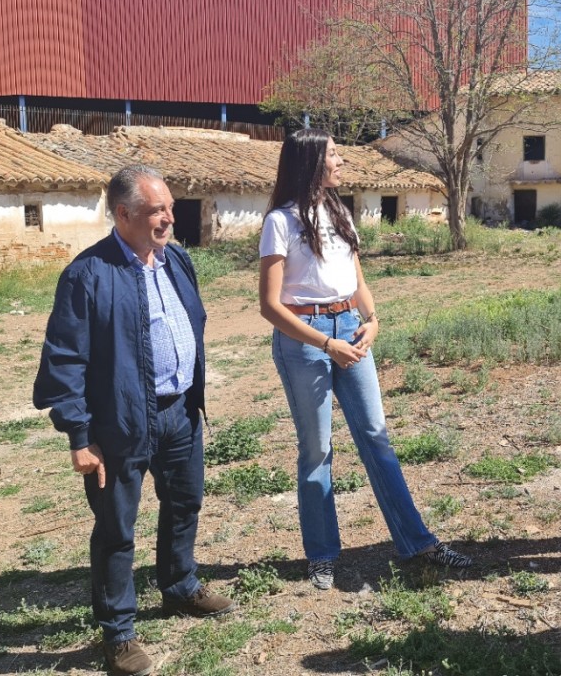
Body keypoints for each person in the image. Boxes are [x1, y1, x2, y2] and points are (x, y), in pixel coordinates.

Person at [34, 165, 233, 676]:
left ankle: (180, 586)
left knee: (185, 502)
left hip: (181, 412)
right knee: (117, 529)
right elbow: (64, 360)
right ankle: (119, 633)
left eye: (169, 207)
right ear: (123, 215)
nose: (168, 218)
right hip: (118, 424)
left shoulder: (176, 260)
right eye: (156, 211)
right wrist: (79, 435)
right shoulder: (87, 274)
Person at [258, 129, 472, 590]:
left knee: (376, 436)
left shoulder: (341, 214)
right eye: (334, 155)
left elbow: (358, 282)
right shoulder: (280, 221)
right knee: (316, 450)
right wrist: (324, 343)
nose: (341, 162)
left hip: (351, 330)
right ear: (312, 162)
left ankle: (417, 542)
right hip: (305, 342)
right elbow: (270, 306)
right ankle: (322, 555)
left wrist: (372, 320)